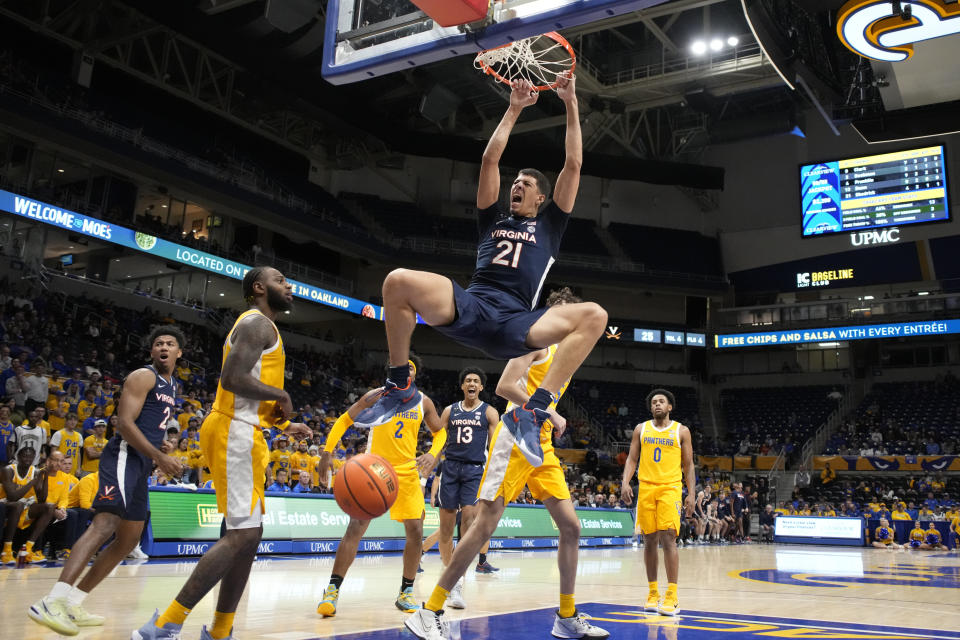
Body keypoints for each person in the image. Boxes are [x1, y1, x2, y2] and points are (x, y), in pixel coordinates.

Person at [357, 74, 605, 473]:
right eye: (515, 183)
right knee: (397, 280)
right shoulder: (492, 219)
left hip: (516, 322)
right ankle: (400, 384)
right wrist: (513, 108)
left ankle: (536, 409)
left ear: (541, 197)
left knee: (595, 315)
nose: (516, 187)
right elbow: (490, 159)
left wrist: (571, 103)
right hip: (473, 305)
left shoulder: (551, 225)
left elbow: (573, 164)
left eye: (525, 184)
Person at [405, 288, 609, 640]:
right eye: (560, 310)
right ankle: (431, 609)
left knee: (571, 528)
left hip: (542, 448)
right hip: (514, 439)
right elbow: (504, 386)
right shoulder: (535, 343)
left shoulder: (567, 351)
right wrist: (551, 411)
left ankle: (566, 615)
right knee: (483, 525)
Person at [133, 267, 310, 640]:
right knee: (242, 536)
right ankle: (165, 624)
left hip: (244, 429)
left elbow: (245, 393)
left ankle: (220, 630)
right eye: (281, 280)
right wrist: (281, 396)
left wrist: (281, 424)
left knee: (249, 534)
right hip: (234, 431)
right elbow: (232, 379)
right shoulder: (257, 324)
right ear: (259, 288)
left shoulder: (263, 327)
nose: (289, 286)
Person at [28, 327, 185, 636]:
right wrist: (160, 455)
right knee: (104, 524)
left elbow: (148, 422)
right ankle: (51, 601)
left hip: (141, 461)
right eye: (158, 343)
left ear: (179, 353)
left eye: (170, 343)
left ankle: (74, 602)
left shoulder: (172, 385)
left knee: (128, 540)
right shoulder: (143, 376)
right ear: (152, 352)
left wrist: (160, 447)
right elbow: (124, 424)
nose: (164, 346)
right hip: (124, 456)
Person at [317, 356, 444, 617]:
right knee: (355, 528)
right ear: (392, 371)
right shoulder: (376, 396)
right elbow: (344, 420)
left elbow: (440, 432)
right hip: (375, 468)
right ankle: (332, 590)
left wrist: (433, 453)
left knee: (416, 529)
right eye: (401, 366)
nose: (405, 369)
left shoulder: (424, 402)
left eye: (410, 366)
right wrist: (327, 452)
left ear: (415, 374)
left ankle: (406, 591)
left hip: (407, 471)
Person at [620, 389, 696, 616]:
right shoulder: (640, 429)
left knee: (669, 538)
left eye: (662, 401)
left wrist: (691, 494)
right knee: (649, 540)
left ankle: (672, 596)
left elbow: (689, 465)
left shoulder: (681, 431)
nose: (657, 404)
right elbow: (632, 458)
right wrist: (625, 482)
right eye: (654, 402)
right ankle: (653, 593)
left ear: (670, 406)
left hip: (670, 488)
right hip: (646, 488)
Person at [433, 367, 500, 609]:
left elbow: (494, 448)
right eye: (468, 380)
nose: (472, 383)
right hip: (450, 468)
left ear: (481, 387)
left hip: (474, 471)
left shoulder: (490, 412)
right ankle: (450, 581)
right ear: (462, 386)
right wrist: (432, 457)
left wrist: (495, 476)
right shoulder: (450, 410)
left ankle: (456, 585)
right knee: (445, 531)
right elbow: (439, 439)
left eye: (476, 381)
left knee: (469, 524)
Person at [0, 445, 54, 564]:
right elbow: (12, 496)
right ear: (18, 457)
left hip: (24, 507)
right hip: (5, 506)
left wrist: (45, 478)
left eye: (30, 457)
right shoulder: (8, 470)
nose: (27, 460)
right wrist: (33, 481)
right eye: (24, 456)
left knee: (49, 507)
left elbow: (42, 499)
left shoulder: (34, 471)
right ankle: (7, 550)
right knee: (18, 504)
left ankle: (28, 548)